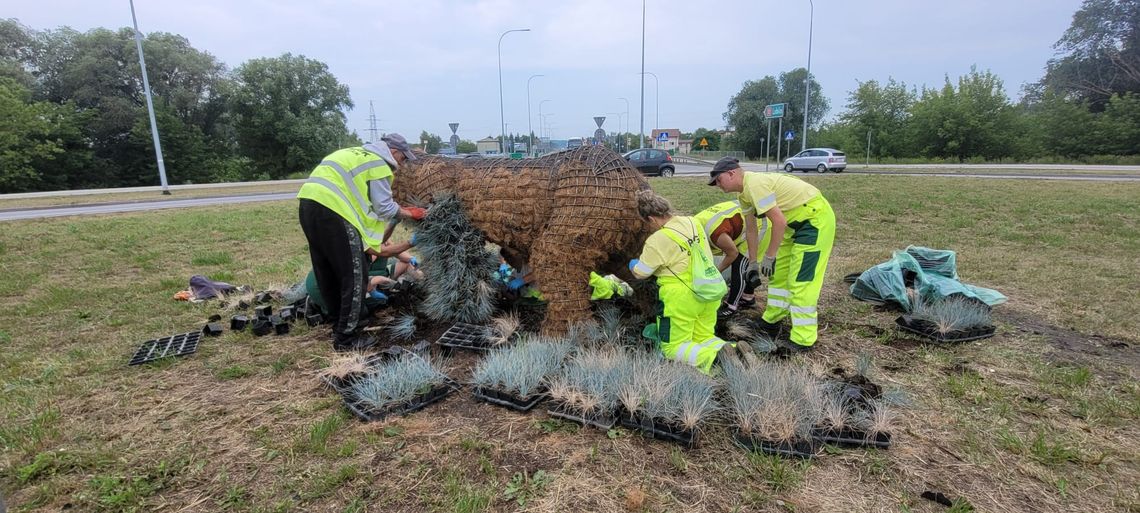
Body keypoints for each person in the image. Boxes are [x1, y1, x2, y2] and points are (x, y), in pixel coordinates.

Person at [296, 134, 426, 351]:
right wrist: (411, 213)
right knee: (354, 276)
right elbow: (384, 207)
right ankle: (347, 338)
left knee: (326, 269)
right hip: (334, 211)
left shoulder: (354, 153)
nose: (400, 166)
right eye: (403, 160)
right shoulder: (379, 164)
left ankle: (339, 324)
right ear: (394, 152)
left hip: (308, 204)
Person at [708, 156, 836, 352]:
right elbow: (751, 229)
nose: (718, 185)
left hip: (813, 222)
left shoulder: (755, 185)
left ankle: (804, 339)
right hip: (792, 226)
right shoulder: (743, 194)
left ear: (731, 173)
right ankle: (771, 320)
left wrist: (769, 256)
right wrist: (752, 262)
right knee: (778, 275)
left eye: (718, 180)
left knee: (801, 280)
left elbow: (779, 221)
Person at [628, 190, 731, 374]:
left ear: (651, 219)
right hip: (709, 291)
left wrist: (633, 264)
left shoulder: (658, 239)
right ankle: (735, 352)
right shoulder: (693, 222)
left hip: (681, 300)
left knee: (672, 347)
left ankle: (715, 360)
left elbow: (641, 273)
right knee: (704, 337)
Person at [692, 200, 773, 318]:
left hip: (759, 225)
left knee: (740, 263)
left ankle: (731, 306)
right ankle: (748, 297)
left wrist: (715, 273)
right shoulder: (694, 224)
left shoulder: (715, 234)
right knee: (747, 263)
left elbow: (732, 253)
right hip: (745, 221)